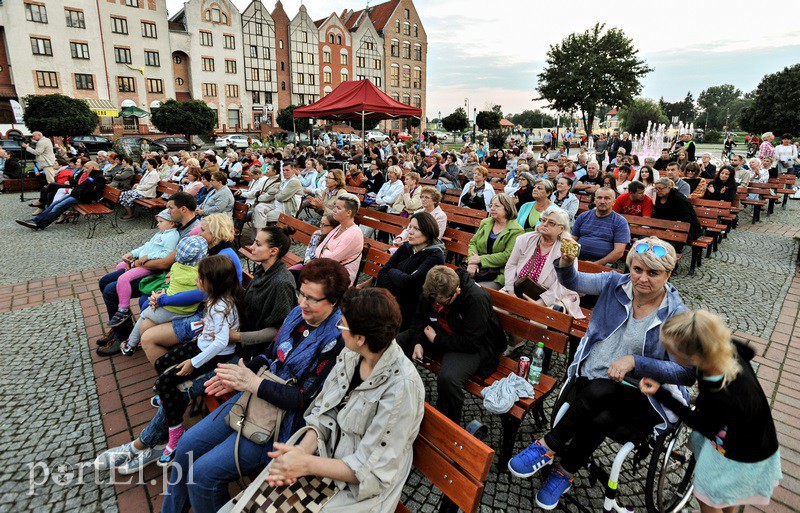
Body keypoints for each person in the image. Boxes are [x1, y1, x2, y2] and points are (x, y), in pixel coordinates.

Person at [508, 237, 693, 510]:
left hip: (647, 394)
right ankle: (565, 472)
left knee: (600, 390)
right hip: (601, 380)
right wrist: (567, 262)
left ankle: (549, 446)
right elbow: (575, 281)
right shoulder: (615, 283)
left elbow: (687, 373)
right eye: (638, 269)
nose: (643, 279)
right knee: (602, 411)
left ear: (668, 274)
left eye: (653, 273)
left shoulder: (677, 315)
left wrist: (635, 361)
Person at [157, 259, 349, 513]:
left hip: (283, 426)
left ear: (334, 301)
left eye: (313, 299)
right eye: (301, 293)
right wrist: (239, 372)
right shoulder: (296, 315)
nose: (303, 302)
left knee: (203, 475)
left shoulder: (338, 340)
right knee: (186, 447)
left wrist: (252, 382)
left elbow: (305, 400)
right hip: (255, 399)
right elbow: (270, 355)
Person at [261, 287, 424, 513]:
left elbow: (371, 469)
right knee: (257, 501)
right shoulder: (351, 355)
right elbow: (322, 409)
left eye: (342, 325)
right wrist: (302, 452)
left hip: (359, 491)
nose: (339, 329)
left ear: (360, 338)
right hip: (328, 460)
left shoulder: (401, 388)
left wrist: (306, 464)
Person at [639, 310, 782, 513]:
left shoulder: (721, 392)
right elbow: (749, 352)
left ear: (695, 358)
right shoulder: (724, 348)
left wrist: (662, 394)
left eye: (672, 353)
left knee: (707, 496)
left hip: (740, 454)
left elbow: (703, 424)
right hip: (759, 435)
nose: (669, 355)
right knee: (728, 495)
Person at [153, 254, 244, 465]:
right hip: (202, 344)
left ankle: (176, 433)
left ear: (212, 281)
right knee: (161, 364)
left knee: (164, 383)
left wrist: (194, 363)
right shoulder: (216, 299)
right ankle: (170, 400)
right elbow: (216, 329)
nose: (196, 280)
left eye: (199, 277)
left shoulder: (221, 305)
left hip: (215, 355)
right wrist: (205, 326)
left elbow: (221, 342)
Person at [397, 265, 505, 423]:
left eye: (441, 303)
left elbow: (471, 342)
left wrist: (436, 340)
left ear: (457, 292)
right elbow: (418, 319)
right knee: (398, 343)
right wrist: (417, 342)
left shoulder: (476, 298)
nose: (436, 306)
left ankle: (447, 425)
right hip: (443, 333)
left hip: (473, 345)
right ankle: (396, 396)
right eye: (434, 302)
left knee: (448, 378)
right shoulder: (431, 289)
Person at [501, 206, 584, 318]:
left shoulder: (567, 249)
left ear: (561, 229)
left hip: (553, 297)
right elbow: (511, 265)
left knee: (538, 318)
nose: (544, 224)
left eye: (551, 223)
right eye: (543, 220)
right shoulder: (524, 239)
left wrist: (540, 303)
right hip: (519, 289)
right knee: (497, 306)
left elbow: (565, 284)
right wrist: (511, 292)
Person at [107, 210, 180, 327]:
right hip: (141, 261)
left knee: (123, 279)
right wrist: (132, 253)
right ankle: (123, 290)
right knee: (120, 266)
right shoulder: (160, 234)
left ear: (172, 223)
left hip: (150, 266)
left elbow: (166, 253)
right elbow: (146, 246)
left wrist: (148, 257)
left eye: (161, 221)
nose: (158, 224)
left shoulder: (172, 236)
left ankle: (123, 309)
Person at [377, 212, 446, 329]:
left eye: (416, 229)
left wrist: (392, 271)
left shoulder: (435, 256)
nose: (410, 232)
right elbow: (382, 273)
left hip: (411, 312)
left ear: (428, 232)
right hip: (391, 301)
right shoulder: (406, 247)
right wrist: (395, 293)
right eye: (410, 227)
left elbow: (409, 283)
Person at [15, 160, 106, 230]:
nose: (85, 170)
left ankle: (39, 224)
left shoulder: (99, 178)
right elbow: (82, 186)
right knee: (55, 204)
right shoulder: (92, 176)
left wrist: (77, 192)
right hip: (77, 195)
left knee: (58, 206)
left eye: (87, 168)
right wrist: (77, 191)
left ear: (93, 167)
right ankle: (35, 221)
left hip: (83, 199)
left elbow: (92, 192)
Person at [294, 194, 364, 285]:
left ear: (349, 213)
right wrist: (327, 251)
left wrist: (325, 250)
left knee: (294, 277)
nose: (334, 210)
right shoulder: (339, 227)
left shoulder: (354, 234)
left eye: (338, 208)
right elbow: (319, 248)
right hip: (325, 271)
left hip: (338, 280)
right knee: (293, 274)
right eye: (335, 207)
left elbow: (331, 259)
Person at [466, 193, 524, 289]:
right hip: (478, 268)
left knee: (474, 291)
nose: (492, 208)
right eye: (491, 205)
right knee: (453, 283)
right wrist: (473, 262)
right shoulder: (485, 222)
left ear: (507, 208)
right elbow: (473, 243)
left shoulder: (517, 230)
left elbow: (507, 255)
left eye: (496, 206)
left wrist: (480, 259)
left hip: (497, 274)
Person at [571, 187, 630, 265]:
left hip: (603, 263)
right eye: (599, 198)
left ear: (614, 202)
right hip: (577, 259)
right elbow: (572, 240)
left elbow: (618, 252)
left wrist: (597, 264)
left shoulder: (620, 222)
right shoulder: (583, 216)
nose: (602, 201)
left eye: (607, 198)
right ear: (595, 200)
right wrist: (572, 259)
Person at [653, 178, 702, 253]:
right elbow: (658, 214)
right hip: (668, 226)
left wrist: (673, 228)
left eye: (660, 188)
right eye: (656, 189)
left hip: (688, 229)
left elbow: (686, 219)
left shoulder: (679, 198)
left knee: (672, 238)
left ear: (668, 188)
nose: (658, 191)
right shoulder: (659, 196)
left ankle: (673, 258)